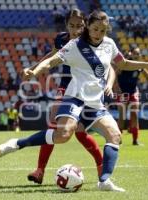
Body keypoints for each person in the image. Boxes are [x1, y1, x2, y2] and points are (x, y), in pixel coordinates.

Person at [0, 11, 148, 192]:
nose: (98, 33)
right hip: (74, 97)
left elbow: (122, 63)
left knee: (115, 136)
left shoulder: (109, 44)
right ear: (88, 27)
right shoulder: (74, 45)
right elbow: (51, 61)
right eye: (95, 29)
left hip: (95, 103)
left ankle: (104, 181)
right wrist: (35, 71)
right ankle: (17, 143)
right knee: (62, 136)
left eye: (102, 29)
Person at [26, 9, 107, 184]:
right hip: (66, 86)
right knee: (53, 125)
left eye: (79, 25)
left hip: (87, 88)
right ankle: (39, 170)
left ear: (85, 25)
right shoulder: (62, 39)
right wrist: (34, 68)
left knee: (79, 132)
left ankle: (102, 167)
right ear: (66, 25)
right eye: (72, 25)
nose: (76, 29)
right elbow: (52, 56)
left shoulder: (92, 39)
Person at [116, 47, 148, 145]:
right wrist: (116, 87)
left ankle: (135, 140)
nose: (137, 55)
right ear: (131, 53)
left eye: (138, 53)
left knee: (134, 115)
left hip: (133, 92)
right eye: (135, 53)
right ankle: (118, 140)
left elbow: (147, 75)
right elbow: (115, 74)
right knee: (122, 117)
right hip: (122, 93)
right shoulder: (124, 63)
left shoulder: (139, 66)